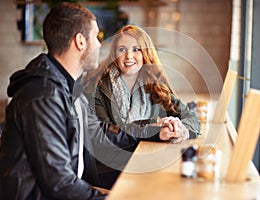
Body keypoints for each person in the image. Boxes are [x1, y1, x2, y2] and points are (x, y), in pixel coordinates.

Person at [0, 3, 186, 200]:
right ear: (80, 41)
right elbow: (59, 184)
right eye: (96, 37)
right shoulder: (43, 94)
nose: (100, 44)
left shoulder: (70, 87)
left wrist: (157, 132)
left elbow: (101, 136)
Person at [83, 25, 201, 189]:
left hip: (142, 159)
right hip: (107, 168)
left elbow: (191, 118)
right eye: (122, 49)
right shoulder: (97, 86)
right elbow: (106, 135)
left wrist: (181, 129)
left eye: (136, 49)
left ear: (146, 53)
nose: (128, 56)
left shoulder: (154, 85)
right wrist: (154, 130)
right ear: (114, 54)